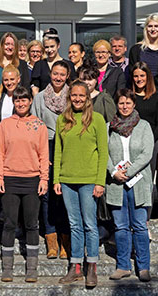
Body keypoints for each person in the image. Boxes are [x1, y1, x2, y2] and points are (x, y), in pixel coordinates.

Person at [54, 80, 108, 288]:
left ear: (87, 98)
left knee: (89, 225)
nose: (77, 99)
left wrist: (99, 182)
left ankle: (91, 266)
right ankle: (75, 267)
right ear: (69, 97)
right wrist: (57, 178)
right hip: (68, 180)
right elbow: (58, 151)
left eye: (81, 96)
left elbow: (103, 153)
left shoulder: (97, 120)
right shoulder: (62, 120)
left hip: (88, 180)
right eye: (74, 95)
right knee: (74, 224)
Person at [0, 86, 49, 283]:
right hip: (10, 179)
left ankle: (31, 268)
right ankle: (7, 268)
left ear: (30, 101)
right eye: (17, 100)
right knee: (9, 223)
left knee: (31, 224)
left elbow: (44, 154)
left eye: (24, 100)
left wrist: (44, 178)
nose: (21, 103)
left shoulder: (39, 125)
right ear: (14, 102)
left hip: (32, 179)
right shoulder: (5, 125)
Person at [107, 89, 154, 283]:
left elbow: (147, 152)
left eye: (128, 103)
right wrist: (113, 172)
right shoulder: (109, 127)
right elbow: (104, 153)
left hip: (139, 181)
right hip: (116, 183)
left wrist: (130, 171)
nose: (124, 107)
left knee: (140, 226)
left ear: (134, 104)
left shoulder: (143, 126)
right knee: (120, 226)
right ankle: (123, 266)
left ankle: (143, 267)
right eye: (121, 103)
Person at [31, 60, 71, 260]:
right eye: (55, 73)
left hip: (68, 147)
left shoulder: (73, 96)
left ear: (67, 76)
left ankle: (66, 239)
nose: (58, 77)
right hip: (46, 146)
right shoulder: (39, 98)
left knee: (64, 193)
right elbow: (34, 126)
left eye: (62, 74)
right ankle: (51, 240)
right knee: (46, 194)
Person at [130, 62, 158, 218]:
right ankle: (132, 215)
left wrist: (148, 142)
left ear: (148, 77)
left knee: (146, 182)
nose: (139, 79)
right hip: (131, 144)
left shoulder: (157, 97)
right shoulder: (129, 97)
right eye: (136, 76)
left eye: (142, 76)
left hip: (151, 144)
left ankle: (145, 217)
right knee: (132, 181)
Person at [31, 29, 75, 95]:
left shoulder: (69, 64)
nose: (49, 50)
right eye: (46, 47)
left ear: (58, 45)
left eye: (52, 46)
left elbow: (73, 86)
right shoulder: (39, 65)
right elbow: (35, 89)